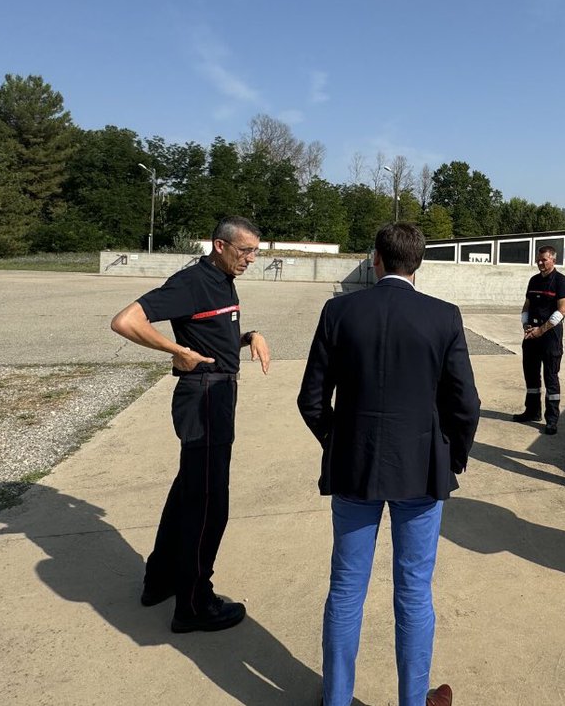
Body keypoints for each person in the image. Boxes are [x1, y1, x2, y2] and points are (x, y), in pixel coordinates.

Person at [298, 222, 480, 706]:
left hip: (354, 469)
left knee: (346, 589)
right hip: (420, 471)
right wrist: (452, 457)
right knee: (415, 591)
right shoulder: (444, 317)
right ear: (417, 263)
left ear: (376, 258)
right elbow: (465, 404)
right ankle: (413, 700)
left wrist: (338, 441)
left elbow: (311, 399)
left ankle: (337, 698)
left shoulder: (340, 310)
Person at [110, 215, 271, 633]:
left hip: (215, 391)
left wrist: (249, 335)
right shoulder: (192, 281)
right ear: (219, 246)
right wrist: (175, 349)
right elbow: (126, 321)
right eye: (245, 251)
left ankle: (160, 579)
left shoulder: (222, 280)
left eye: (256, 250)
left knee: (188, 491)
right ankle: (195, 603)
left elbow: (211, 336)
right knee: (208, 502)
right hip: (203, 397)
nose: (251, 259)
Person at [512, 244, 565, 435]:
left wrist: (542, 330)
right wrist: (525, 324)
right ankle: (532, 411)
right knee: (531, 375)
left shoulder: (560, 281)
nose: (540, 262)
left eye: (544, 259)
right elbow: (527, 305)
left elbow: (563, 310)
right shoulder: (534, 280)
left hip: (550, 338)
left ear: (553, 260)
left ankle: (551, 420)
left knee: (551, 378)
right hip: (531, 337)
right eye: (538, 259)